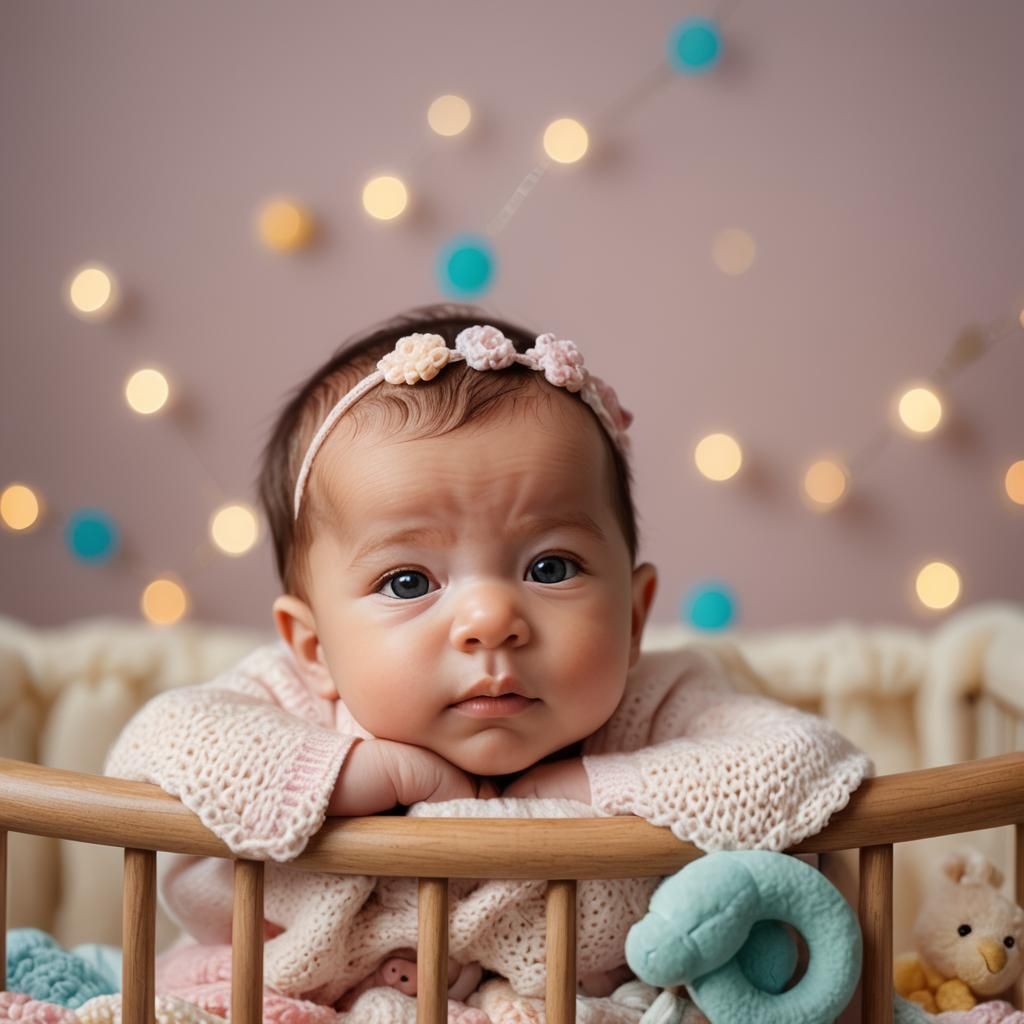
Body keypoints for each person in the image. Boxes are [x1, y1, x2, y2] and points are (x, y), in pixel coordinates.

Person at [104, 302, 872, 1019]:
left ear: (634, 618)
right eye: (408, 582)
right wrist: (366, 774)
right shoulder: (291, 702)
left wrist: (589, 787)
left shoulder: (655, 704)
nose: (491, 622)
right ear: (314, 649)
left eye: (551, 568)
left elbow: (802, 762)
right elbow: (158, 748)